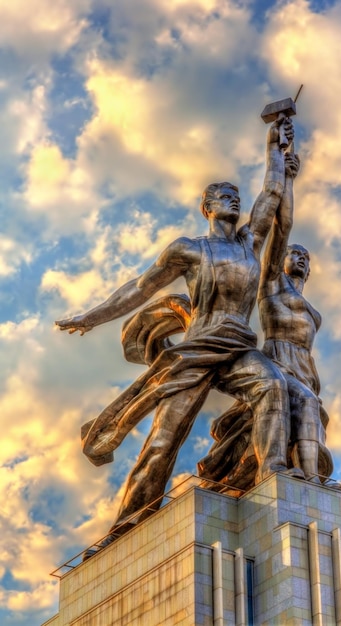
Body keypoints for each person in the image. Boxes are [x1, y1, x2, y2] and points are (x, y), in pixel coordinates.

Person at [56, 116, 295, 555]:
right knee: (163, 441)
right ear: (207, 207)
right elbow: (140, 287)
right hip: (197, 348)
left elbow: (272, 195)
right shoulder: (188, 249)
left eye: (236, 196)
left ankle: (274, 469)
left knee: (273, 385)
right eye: (224, 196)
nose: (234, 200)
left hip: (237, 344)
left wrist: (274, 148)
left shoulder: (248, 244)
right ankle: (125, 526)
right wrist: (91, 317)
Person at [198, 148, 337, 489]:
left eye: (306, 256)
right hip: (279, 357)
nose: (300, 257)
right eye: (294, 253)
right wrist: (288, 178)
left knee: (308, 408)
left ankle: (312, 479)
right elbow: (282, 224)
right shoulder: (272, 283)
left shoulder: (308, 305)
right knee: (294, 401)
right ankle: (280, 471)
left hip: (305, 365)